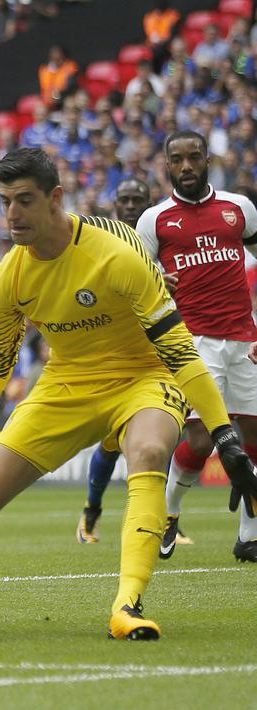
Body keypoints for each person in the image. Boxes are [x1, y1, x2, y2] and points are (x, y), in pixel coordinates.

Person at [0, 148, 257, 641]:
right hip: (66, 384)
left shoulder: (118, 253)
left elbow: (180, 352)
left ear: (55, 198)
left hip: (146, 376)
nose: (13, 214)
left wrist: (225, 438)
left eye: (24, 200)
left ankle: (128, 605)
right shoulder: (10, 274)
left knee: (148, 451)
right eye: (5, 202)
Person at [135, 132, 257, 563]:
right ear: (166, 165)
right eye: (177, 159)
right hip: (192, 342)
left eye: (193, 157)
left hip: (245, 339)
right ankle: (170, 512)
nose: (186, 166)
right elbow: (138, 281)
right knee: (203, 440)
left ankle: (248, 536)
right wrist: (156, 283)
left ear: (207, 159)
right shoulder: (154, 220)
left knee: (255, 441)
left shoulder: (238, 208)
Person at [76, 177, 151, 544]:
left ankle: (167, 519)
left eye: (139, 199)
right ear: (115, 204)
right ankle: (92, 509)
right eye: (126, 198)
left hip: (155, 351)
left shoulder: (158, 241)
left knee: (159, 437)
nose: (132, 204)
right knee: (110, 442)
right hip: (111, 352)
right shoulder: (103, 241)